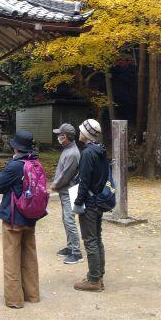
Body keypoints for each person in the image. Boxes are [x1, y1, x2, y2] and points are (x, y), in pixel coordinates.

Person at [0, 130, 42, 309]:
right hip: (31, 217)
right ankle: (33, 294)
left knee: (12, 258)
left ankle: (14, 299)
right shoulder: (35, 162)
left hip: (13, 218)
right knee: (30, 256)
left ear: (16, 148)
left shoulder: (15, 166)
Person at [73, 118, 109, 292]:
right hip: (99, 200)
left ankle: (94, 280)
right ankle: (98, 275)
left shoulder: (87, 153)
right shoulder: (100, 151)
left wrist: (78, 202)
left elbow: (84, 181)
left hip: (89, 202)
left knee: (90, 240)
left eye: (81, 130)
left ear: (86, 134)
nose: (79, 132)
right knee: (97, 239)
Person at [50, 123, 82, 264]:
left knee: (69, 220)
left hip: (69, 190)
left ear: (66, 136)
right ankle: (70, 247)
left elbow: (66, 175)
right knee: (66, 219)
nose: (58, 137)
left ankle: (76, 252)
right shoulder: (67, 149)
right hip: (65, 190)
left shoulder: (72, 153)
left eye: (60, 134)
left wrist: (55, 185)